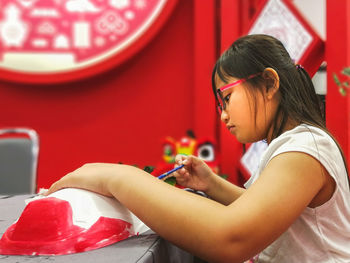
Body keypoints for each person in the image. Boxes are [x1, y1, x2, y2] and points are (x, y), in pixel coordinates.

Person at [46, 34, 350, 263]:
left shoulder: (304, 149)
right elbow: (273, 213)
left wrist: (114, 177)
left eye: (227, 98)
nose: (223, 115)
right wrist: (211, 184)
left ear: (269, 84)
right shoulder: (295, 147)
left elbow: (231, 237)